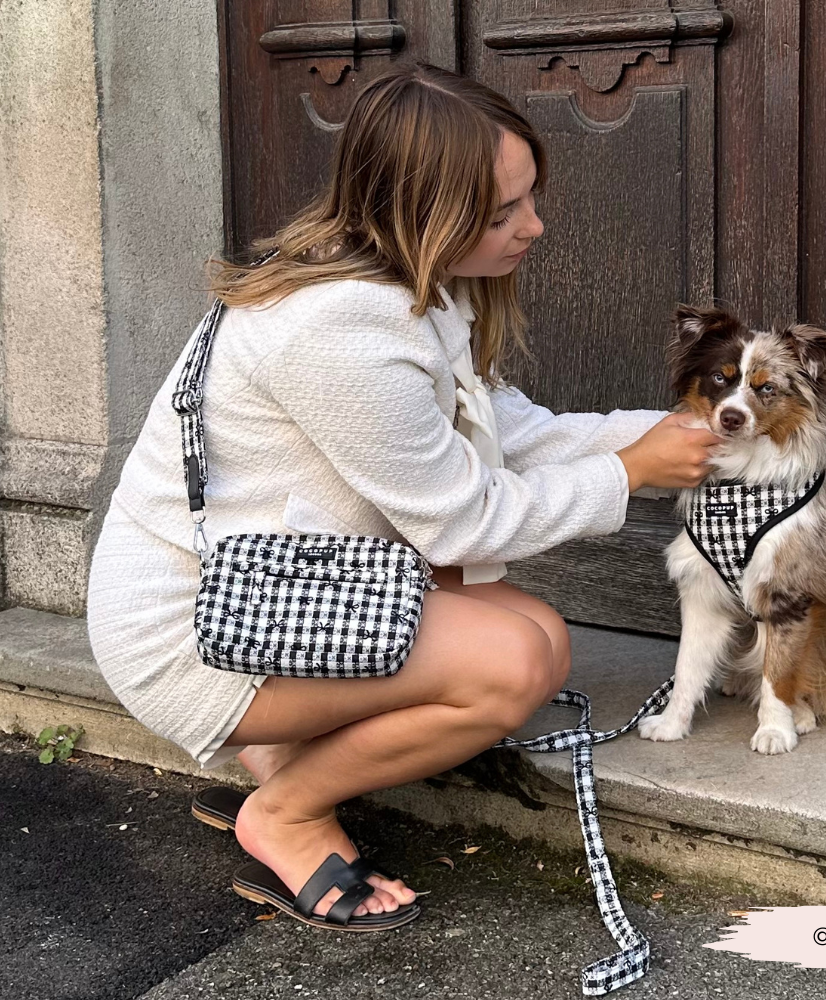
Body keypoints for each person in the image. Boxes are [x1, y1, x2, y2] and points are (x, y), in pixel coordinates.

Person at [86, 62, 721, 932]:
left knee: (537, 635)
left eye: (530, 197)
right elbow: (461, 520)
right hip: (193, 632)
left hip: (269, 589)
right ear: (424, 212)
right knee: (512, 663)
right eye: (501, 214)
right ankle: (286, 812)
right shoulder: (342, 327)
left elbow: (509, 430)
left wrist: (678, 432)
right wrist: (632, 472)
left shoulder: (395, 281)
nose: (533, 226)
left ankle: (285, 753)